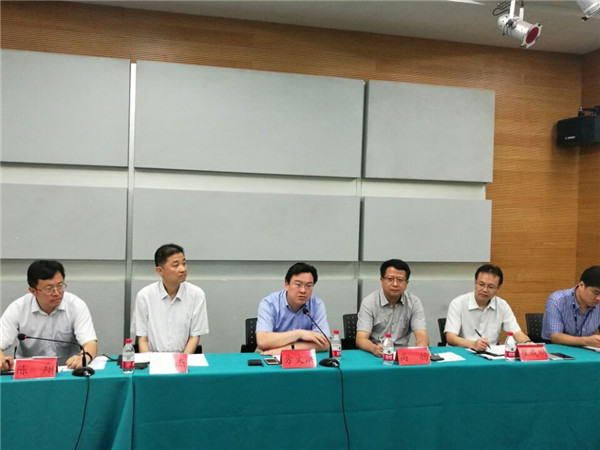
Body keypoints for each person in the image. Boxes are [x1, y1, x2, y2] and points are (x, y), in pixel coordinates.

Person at [0, 260, 98, 371]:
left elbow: (90, 343)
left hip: (67, 368)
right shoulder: (18, 308)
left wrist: (85, 356)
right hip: (29, 370)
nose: (56, 293)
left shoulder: (76, 305)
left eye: (60, 286)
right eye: (49, 289)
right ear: (33, 291)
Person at [133, 243, 209, 353]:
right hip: (153, 358)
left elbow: (195, 336)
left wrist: (181, 361)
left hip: (183, 357)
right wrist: (149, 362)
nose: (182, 269)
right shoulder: (145, 296)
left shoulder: (196, 295)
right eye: (175, 265)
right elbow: (142, 338)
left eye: (184, 263)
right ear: (160, 270)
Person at [445, 264, 530, 351]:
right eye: (481, 284)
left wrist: (529, 344)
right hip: (462, 353)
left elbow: (517, 333)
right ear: (475, 282)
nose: (485, 290)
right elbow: (450, 337)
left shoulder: (502, 305)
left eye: (491, 287)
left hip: (490, 354)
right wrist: (473, 344)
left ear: (498, 288)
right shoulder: (458, 303)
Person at [356, 259, 429, 356]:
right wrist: (373, 348)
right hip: (376, 353)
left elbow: (421, 335)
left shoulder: (414, 302)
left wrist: (421, 347)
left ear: (406, 283)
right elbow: (361, 339)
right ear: (382, 281)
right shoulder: (369, 302)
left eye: (400, 280)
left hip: (402, 355)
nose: (395, 284)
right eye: (390, 279)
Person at [256, 262, 331, 356]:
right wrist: (299, 334)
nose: (303, 290)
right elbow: (262, 341)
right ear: (287, 285)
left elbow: (325, 343)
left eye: (308, 286)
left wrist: (286, 350)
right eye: (298, 285)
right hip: (269, 353)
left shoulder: (316, 304)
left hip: (298, 355)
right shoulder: (269, 303)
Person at [541, 265, 600, 347]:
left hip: (587, 349)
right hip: (558, 348)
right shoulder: (557, 300)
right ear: (581, 285)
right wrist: (586, 341)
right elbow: (555, 337)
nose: (598, 298)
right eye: (596, 293)